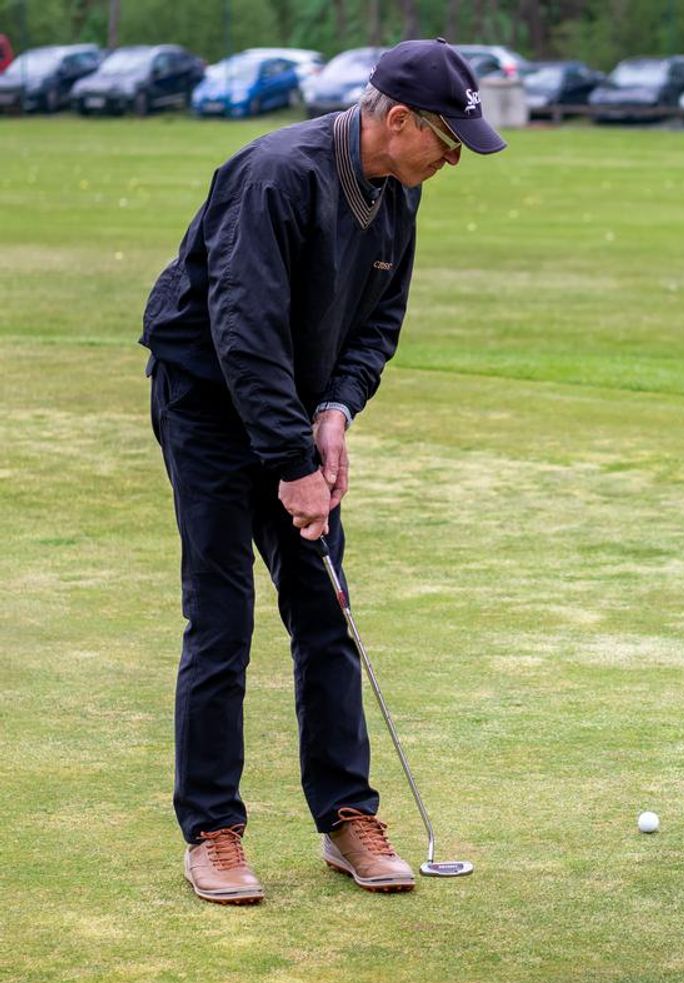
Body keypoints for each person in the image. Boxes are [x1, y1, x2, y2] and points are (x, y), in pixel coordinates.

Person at [140, 38, 505, 905]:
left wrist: (336, 412)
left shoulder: (400, 190)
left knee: (325, 610)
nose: (453, 159)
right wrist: (291, 462)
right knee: (221, 618)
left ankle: (347, 815)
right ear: (399, 119)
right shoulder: (273, 175)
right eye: (447, 141)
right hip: (208, 404)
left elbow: (380, 322)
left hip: (294, 411)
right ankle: (213, 831)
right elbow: (244, 331)